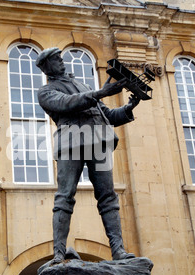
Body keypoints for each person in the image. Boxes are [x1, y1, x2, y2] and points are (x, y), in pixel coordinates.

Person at [36, 47, 140, 263]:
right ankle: (58, 252)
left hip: (98, 143)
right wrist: (101, 93)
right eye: (56, 59)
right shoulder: (46, 92)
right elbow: (68, 104)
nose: (62, 61)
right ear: (47, 67)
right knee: (64, 197)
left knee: (108, 196)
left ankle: (118, 250)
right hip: (71, 143)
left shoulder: (83, 85)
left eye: (61, 57)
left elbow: (109, 115)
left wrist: (129, 107)